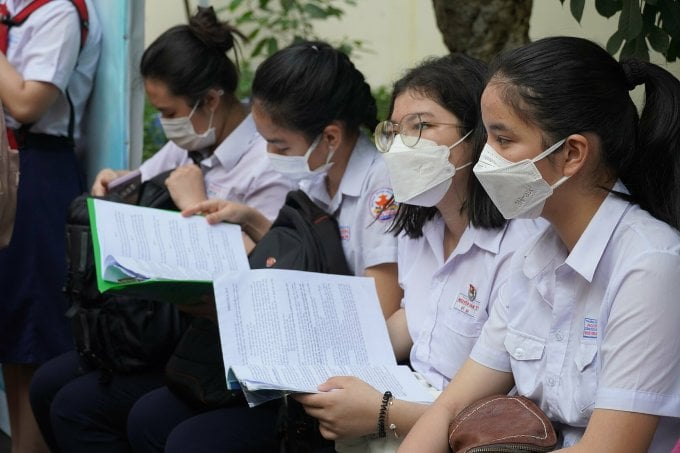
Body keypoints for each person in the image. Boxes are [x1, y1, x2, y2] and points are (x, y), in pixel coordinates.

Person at [28, 7, 292, 452]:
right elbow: (139, 189)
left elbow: (256, 268)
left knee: (77, 405)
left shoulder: (266, 164)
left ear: (210, 100)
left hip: (218, 342)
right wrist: (117, 181)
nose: (166, 124)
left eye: (169, 112)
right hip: (167, 327)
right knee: (48, 384)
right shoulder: (190, 141)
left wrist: (194, 203)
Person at [400, 36, 680, 453]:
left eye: (504, 140)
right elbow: (448, 408)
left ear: (571, 154)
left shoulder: (650, 265)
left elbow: (608, 448)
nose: (483, 159)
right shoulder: (535, 256)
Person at [126, 40, 402, 452]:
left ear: (329, 136)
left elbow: (377, 312)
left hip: (335, 379)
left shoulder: (380, 188)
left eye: (279, 145)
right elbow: (309, 249)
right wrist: (252, 219)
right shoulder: (316, 169)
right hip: (291, 356)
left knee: (190, 441)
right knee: (150, 417)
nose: (270, 155)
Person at [290, 54, 545, 451]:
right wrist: (322, 363)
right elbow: (414, 319)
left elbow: (500, 410)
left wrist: (381, 411)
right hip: (407, 405)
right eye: (394, 131)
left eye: (422, 126)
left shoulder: (523, 244)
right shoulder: (420, 226)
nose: (401, 146)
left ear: (478, 134)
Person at [0, 0, 101, 451]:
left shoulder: (58, 12)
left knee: (37, 336)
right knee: (12, 335)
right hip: (9, 165)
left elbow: (26, 103)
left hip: (36, 170)